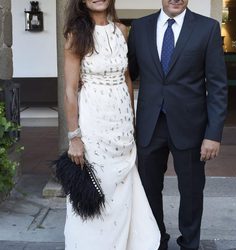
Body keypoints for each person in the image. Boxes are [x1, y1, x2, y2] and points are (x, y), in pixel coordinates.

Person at [128, 0, 228, 249]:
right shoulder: (140, 28)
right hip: (150, 124)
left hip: (191, 126)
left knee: (192, 191)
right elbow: (127, 74)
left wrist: (213, 134)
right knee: (148, 189)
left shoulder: (208, 28)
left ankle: (190, 243)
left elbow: (217, 86)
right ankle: (156, 240)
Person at [63, 0, 160, 249]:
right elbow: (70, 91)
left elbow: (127, 78)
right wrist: (74, 136)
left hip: (122, 127)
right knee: (98, 187)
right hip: (94, 123)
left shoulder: (121, 30)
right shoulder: (77, 33)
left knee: (122, 190)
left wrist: (132, 120)